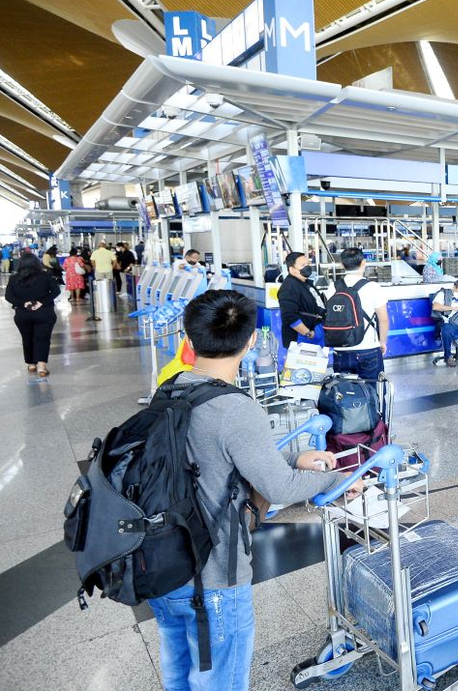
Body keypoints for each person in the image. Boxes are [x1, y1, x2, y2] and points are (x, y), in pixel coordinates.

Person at [151, 290, 359, 691]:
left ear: (189, 340)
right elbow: (276, 487)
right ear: (250, 343)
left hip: (164, 562)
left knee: (178, 673)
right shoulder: (234, 408)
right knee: (222, 681)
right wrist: (336, 478)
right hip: (212, 574)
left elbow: (214, 460)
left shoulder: (172, 387)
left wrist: (293, 456)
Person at [330, 247, 389, 380]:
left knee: (344, 391)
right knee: (373, 390)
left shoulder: (332, 287)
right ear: (363, 263)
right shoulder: (373, 287)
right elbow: (383, 319)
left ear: (341, 264)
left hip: (340, 350)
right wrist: (382, 342)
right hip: (368, 348)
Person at [5, 252, 60, 378]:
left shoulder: (14, 278)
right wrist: (42, 302)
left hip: (23, 314)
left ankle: (31, 364)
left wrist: (23, 304)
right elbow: (56, 291)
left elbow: (9, 296)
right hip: (44, 312)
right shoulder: (45, 275)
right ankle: (41, 366)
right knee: (43, 338)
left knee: (27, 338)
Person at [277, 251, 325, 347]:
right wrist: (309, 334)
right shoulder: (289, 288)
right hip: (302, 339)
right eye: (303, 265)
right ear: (292, 270)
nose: (307, 267)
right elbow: (289, 316)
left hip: (315, 333)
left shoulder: (305, 282)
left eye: (308, 264)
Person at [431, 279, 458, 367]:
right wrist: (453, 308)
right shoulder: (443, 294)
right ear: (454, 287)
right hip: (449, 322)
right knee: (446, 331)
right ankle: (448, 357)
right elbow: (435, 306)